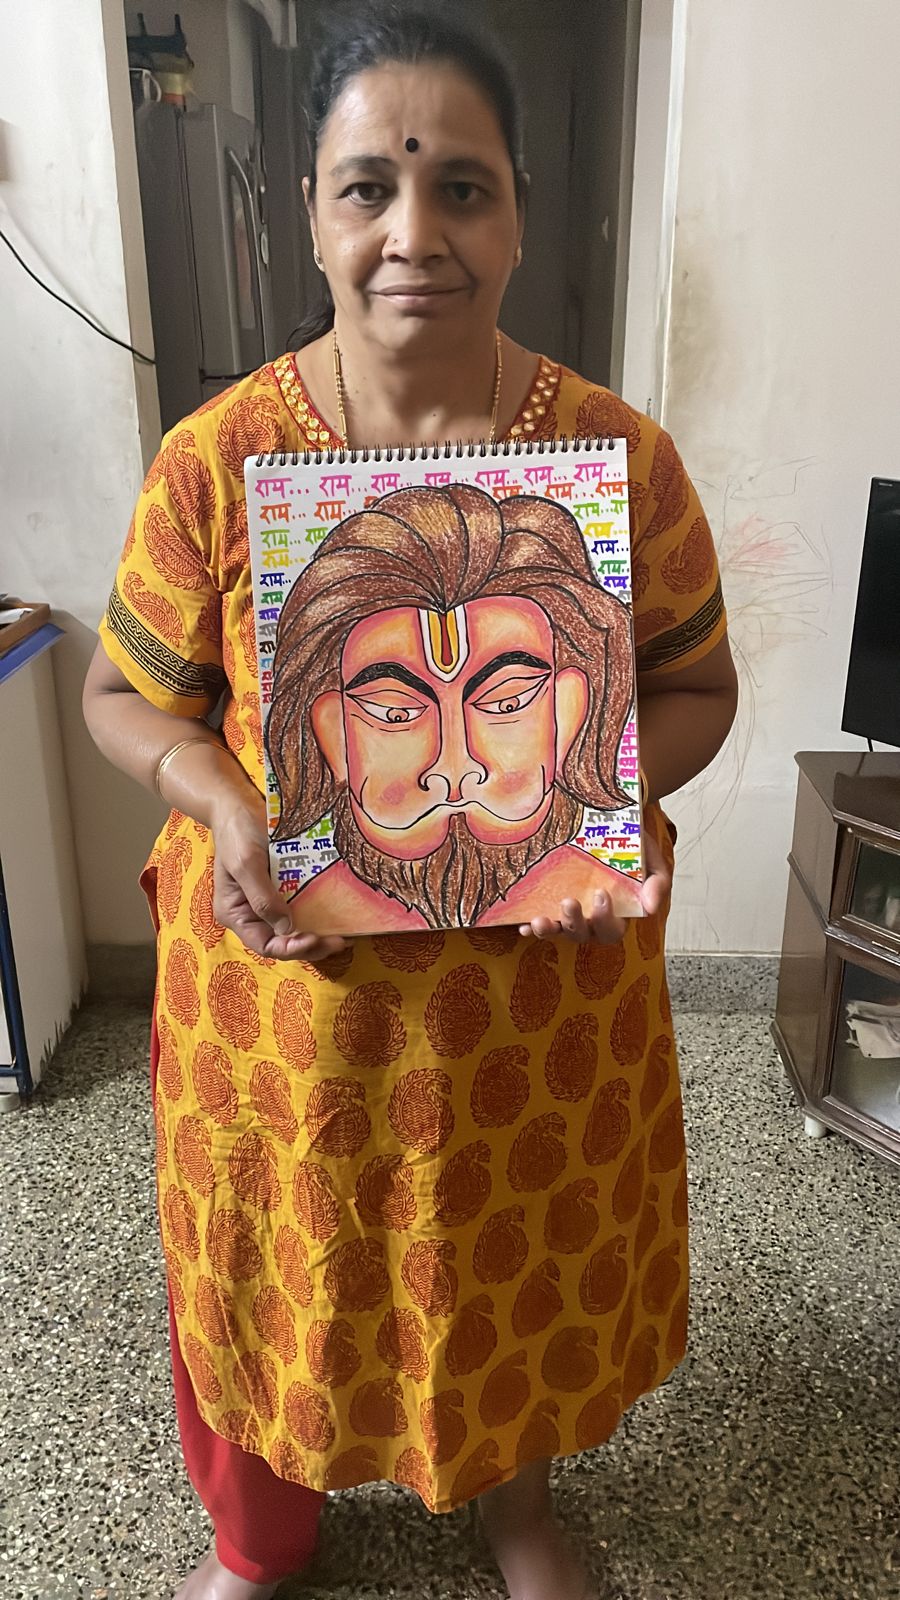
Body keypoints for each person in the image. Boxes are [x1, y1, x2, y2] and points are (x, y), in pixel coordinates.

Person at [83, 7, 738, 1599]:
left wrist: (587, 809)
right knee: (278, 1253)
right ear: (310, 215)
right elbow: (121, 697)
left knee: (509, 1252)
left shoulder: (617, 459)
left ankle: (517, 1509)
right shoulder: (220, 460)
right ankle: (258, 1540)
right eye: (368, 186)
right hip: (288, 1000)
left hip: (536, 1000)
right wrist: (219, 799)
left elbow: (696, 689)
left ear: (517, 216)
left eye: (461, 188)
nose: (413, 233)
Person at [266, 485, 643, 932]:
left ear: (569, 711)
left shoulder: (609, 891)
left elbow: (696, 690)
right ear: (332, 734)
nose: (455, 771)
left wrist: (639, 813)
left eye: (506, 702)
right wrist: (226, 814)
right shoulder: (298, 912)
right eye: (396, 714)